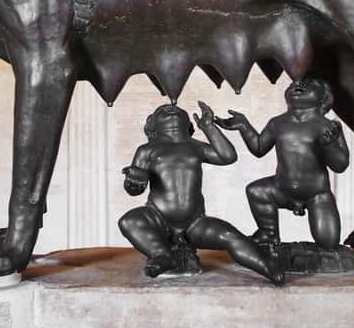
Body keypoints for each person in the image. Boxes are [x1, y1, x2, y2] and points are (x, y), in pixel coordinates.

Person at [119, 102, 283, 284]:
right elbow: (134, 190)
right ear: (153, 124)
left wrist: (208, 127)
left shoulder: (196, 147)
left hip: (195, 222)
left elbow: (227, 157)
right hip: (157, 217)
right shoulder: (147, 150)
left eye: (178, 110)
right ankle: (161, 255)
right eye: (162, 110)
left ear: (188, 124)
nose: (171, 108)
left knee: (230, 236)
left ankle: (268, 268)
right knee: (129, 221)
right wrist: (135, 181)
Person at [215, 77, 348, 248]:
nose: (298, 84)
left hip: (317, 194)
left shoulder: (328, 127)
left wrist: (330, 145)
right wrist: (244, 126)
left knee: (328, 243)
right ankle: (268, 233)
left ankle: (319, 242)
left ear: (323, 98)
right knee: (256, 191)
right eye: (293, 84)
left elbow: (340, 165)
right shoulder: (277, 123)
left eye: (310, 85)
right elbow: (259, 148)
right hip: (281, 189)